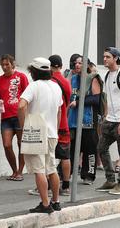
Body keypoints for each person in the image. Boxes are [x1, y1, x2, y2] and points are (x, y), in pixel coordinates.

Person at [18, 57, 63, 214]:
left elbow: (21, 105)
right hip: (52, 132)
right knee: (51, 168)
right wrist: (55, 130)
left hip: (36, 131)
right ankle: (56, 201)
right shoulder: (56, 87)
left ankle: (45, 204)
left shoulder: (34, 86)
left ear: (33, 72)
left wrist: (24, 125)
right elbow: (59, 110)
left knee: (39, 169)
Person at [96, 47, 120, 195]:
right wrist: (105, 115)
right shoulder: (107, 75)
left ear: (116, 58)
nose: (104, 59)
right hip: (109, 120)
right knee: (101, 148)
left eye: (108, 57)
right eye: (104, 56)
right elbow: (107, 98)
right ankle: (110, 179)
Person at [67, 57, 102, 184]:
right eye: (76, 63)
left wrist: (78, 102)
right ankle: (65, 175)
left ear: (87, 65)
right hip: (73, 120)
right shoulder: (73, 79)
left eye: (80, 63)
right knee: (70, 149)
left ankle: (88, 175)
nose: (77, 65)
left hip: (88, 121)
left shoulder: (93, 78)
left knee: (89, 150)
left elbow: (96, 99)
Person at [0, 54, 29, 182]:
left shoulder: (21, 77)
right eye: (2, 65)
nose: (4, 67)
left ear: (12, 64)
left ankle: (20, 171)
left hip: (19, 115)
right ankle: (14, 170)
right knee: (7, 144)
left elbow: (28, 95)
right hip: (6, 116)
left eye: (7, 64)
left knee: (22, 144)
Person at [49, 55, 72, 195]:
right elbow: (68, 101)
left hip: (52, 123)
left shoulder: (50, 82)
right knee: (65, 156)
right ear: (61, 66)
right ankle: (66, 186)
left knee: (49, 156)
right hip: (64, 122)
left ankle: (49, 186)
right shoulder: (65, 81)